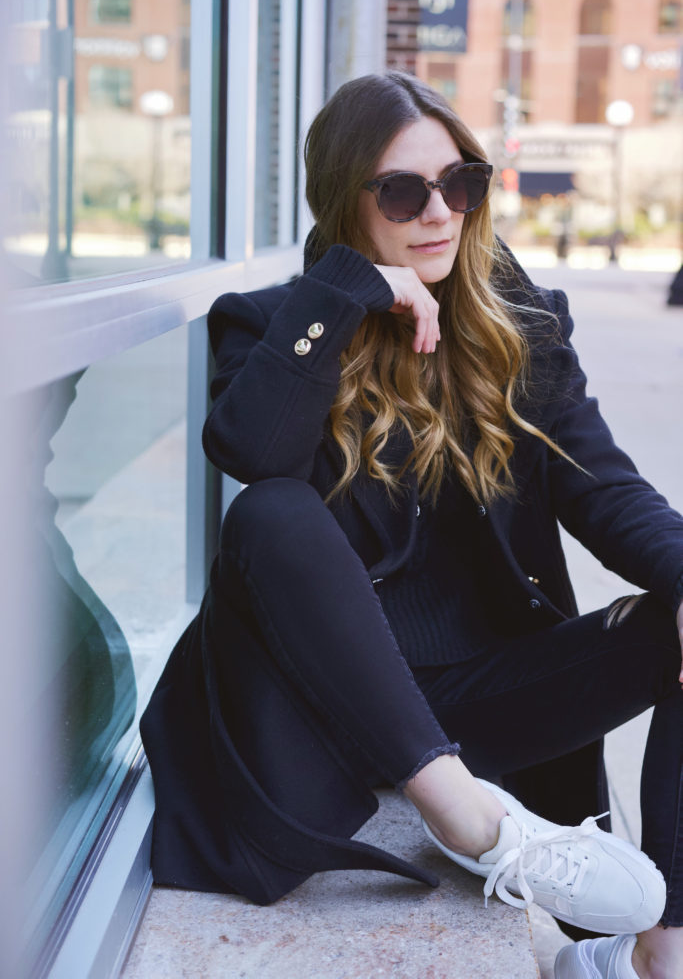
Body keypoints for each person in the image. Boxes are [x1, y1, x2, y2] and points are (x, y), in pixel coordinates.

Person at [140, 72, 683, 979]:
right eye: (402, 191)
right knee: (273, 510)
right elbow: (254, 457)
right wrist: (344, 294)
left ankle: (655, 954)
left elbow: (606, 492)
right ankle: (466, 818)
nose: (439, 212)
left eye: (460, 183)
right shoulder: (276, 325)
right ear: (344, 201)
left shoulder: (521, 326)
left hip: (485, 691)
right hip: (332, 708)